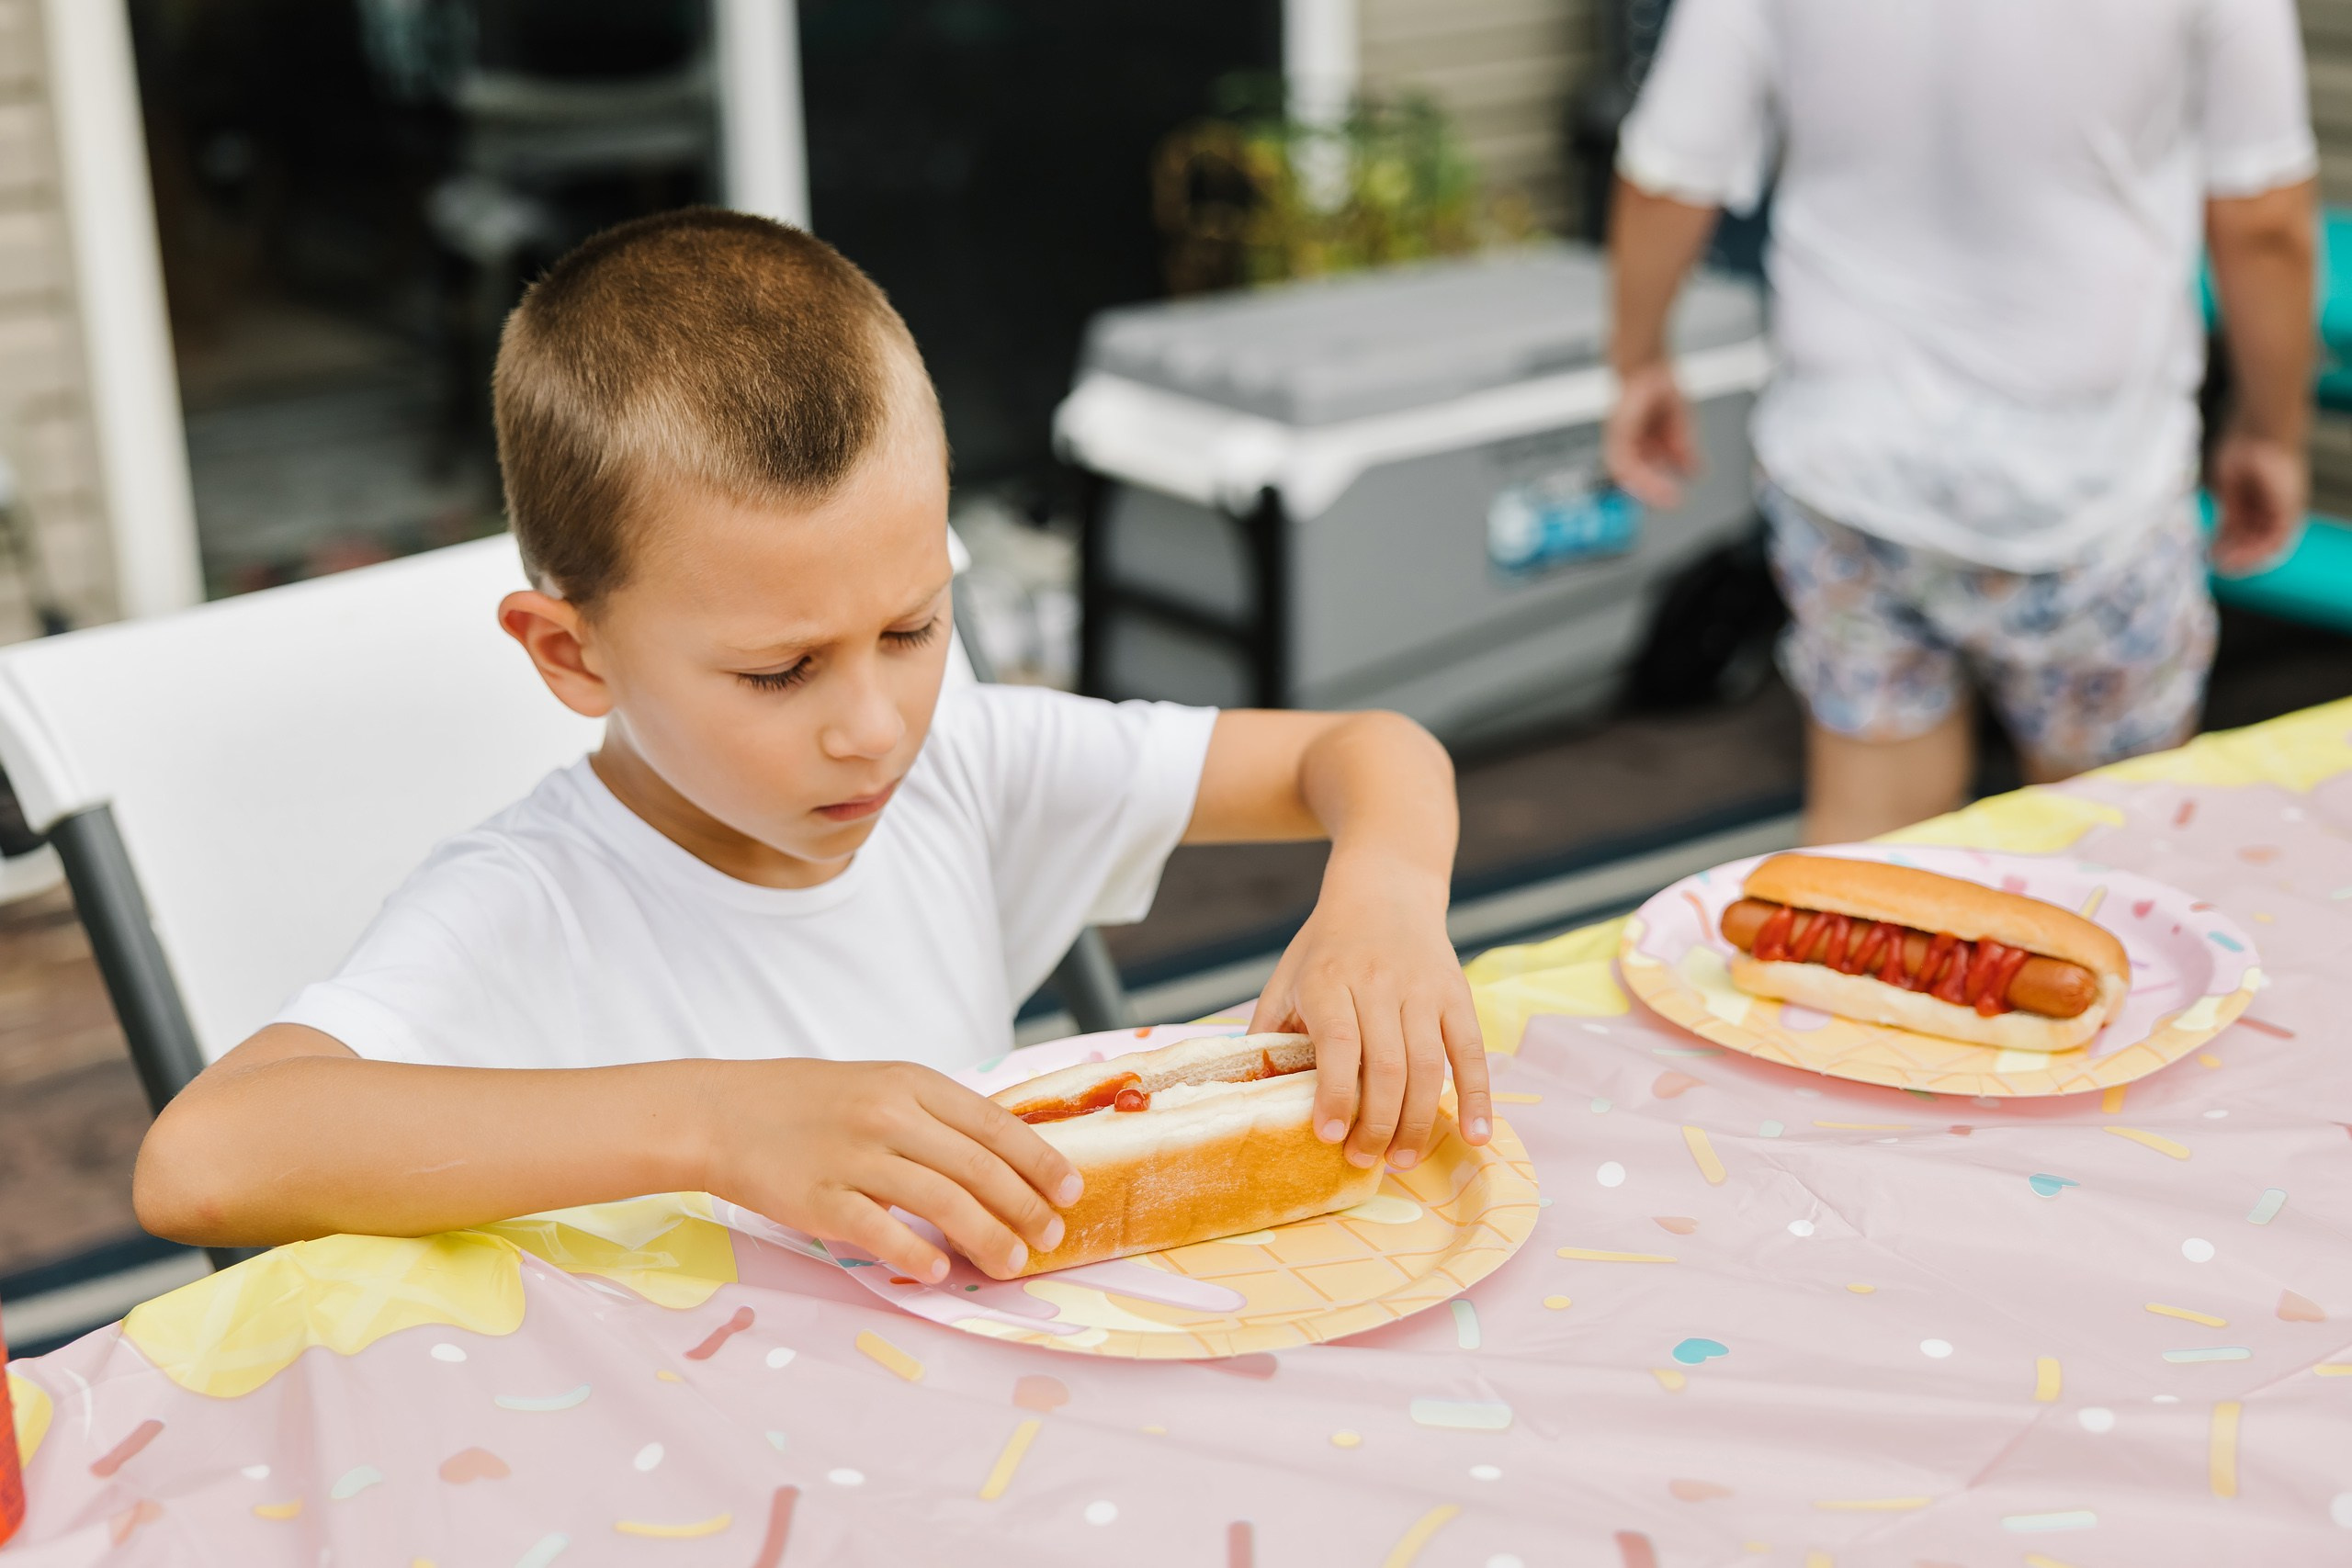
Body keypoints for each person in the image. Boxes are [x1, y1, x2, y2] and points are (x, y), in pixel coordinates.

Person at [132, 210, 1488, 1282]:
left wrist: (1382, 895)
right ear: (571, 652)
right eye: (779, 670)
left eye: (913, 626)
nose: (873, 723)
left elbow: (1371, 750)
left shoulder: (961, 763)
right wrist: (718, 1125)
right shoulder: (531, 907)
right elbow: (202, 1155)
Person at [1604, 0, 2318, 843]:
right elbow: (2263, 221)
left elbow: (1669, 172)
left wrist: (1640, 359)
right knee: (2113, 852)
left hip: (1849, 464)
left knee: (1873, 845)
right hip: (2091, 476)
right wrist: (2270, 431)